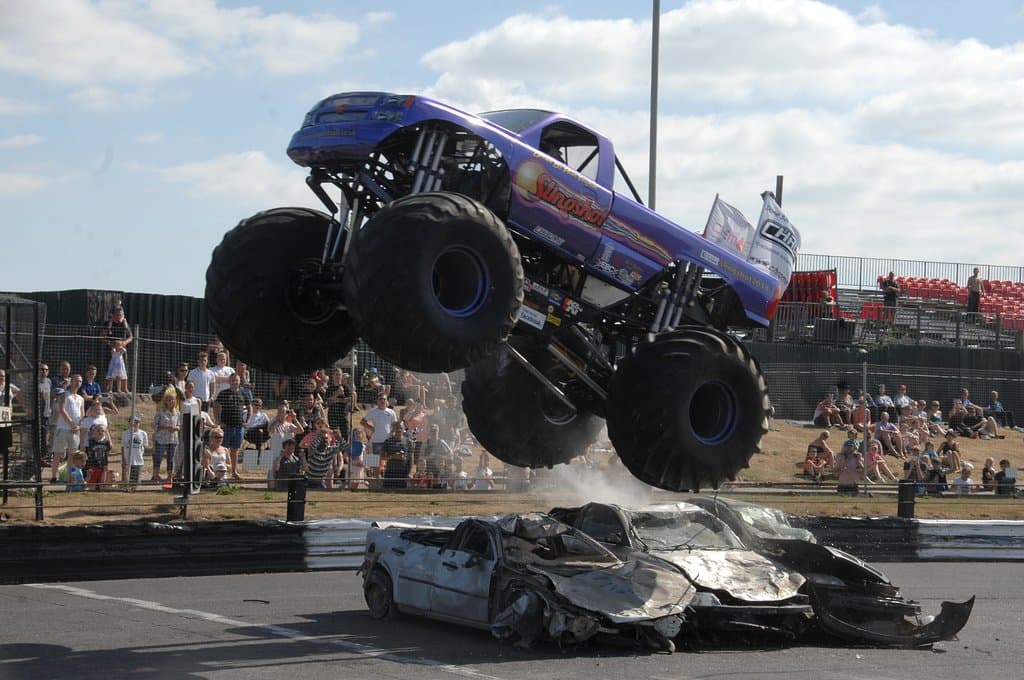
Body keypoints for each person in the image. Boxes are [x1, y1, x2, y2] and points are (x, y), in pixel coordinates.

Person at [213, 373, 251, 480]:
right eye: (233, 380)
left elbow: (250, 407)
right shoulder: (223, 393)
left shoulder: (243, 394)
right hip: (226, 427)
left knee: (235, 450)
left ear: (239, 382)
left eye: (237, 380)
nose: (235, 382)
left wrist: (247, 420)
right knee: (223, 449)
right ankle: (221, 473)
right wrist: (218, 420)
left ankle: (234, 472)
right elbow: (215, 406)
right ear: (229, 382)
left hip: (239, 427)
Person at [51, 373, 84, 483]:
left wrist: (78, 426)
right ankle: (54, 477)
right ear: (71, 382)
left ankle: (70, 477)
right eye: (75, 380)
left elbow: (82, 414)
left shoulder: (81, 398)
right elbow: (62, 409)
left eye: (79, 381)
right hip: (63, 428)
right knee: (58, 453)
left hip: (75, 431)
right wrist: (71, 423)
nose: (77, 383)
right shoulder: (65, 394)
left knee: (72, 454)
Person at [299, 417, 338, 489]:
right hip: (315, 460)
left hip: (327, 460)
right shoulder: (312, 434)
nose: (320, 425)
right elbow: (301, 444)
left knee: (329, 481)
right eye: (318, 423)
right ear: (315, 425)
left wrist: (334, 460)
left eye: (322, 423)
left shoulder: (329, 433)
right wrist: (310, 447)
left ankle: (330, 492)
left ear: (325, 424)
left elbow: (335, 445)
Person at [152, 389, 180, 482]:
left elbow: (179, 425)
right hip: (162, 439)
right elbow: (154, 425)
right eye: (169, 400)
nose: (171, 401)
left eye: (172, 400)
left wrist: (176, 428)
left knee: (171, 458)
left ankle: (169, 477)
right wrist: (166, 428)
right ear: (165, 401)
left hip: (173, 439)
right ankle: (155, 475)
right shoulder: (160, 411)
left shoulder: (177, 413)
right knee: (158, 457)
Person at [361, 395, 398, 459]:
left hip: (388, 441)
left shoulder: (392, 412)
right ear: (377, 401)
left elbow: (394, 424)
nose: (382, 401)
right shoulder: (373, 411)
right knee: (374, 463)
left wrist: (393, 431)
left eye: (384, 399)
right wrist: (371, 427)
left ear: (387, 401)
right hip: (376, 441)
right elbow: (362, 422)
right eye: (380, 399)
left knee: (386, 462)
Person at [121, 414, 149, 491]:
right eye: (133, 422)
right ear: (129, 422)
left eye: (137, 422)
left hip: (138, 459)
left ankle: (133, 489)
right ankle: (126, 488)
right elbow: (122, 447)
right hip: (128, 459)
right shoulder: (125, 433)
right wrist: (123, 459)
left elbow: (144, 446)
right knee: (126, 476)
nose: (135, 424)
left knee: (135, 479)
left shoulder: (143, 434)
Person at [84, 423, 113, 491]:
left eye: (102, 430)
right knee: (92, 483)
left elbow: (107, 453)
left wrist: (106, 465)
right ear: (94, 431)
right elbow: (89, 453)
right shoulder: (91, 441)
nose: (100, 432)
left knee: (102, 483)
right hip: (93, 465)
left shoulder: (106, 442)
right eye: (98, 430)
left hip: (103, 465)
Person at [244, 398, 270, 465]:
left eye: (259, 405)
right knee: (259, 430)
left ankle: (259, 456)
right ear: (251, 405)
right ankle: (259, 456)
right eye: (255, 405)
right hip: (250, 433)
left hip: (262, 435)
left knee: (265, 426)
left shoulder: (263, 415)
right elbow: (244, 426)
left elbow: (269, 426)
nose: (257, 407)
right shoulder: (246, 413)